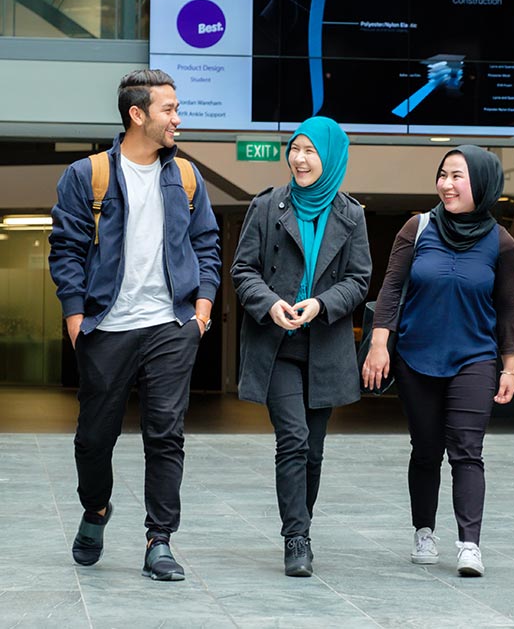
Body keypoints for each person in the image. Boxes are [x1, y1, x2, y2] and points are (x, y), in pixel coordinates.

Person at [49, 69, 221, 581]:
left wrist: (202, 309)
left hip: (170, 325)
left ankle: (159, 540)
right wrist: (77, 317)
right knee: (93, 438)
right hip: (106, 327)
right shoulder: (88, 176)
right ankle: (96, 508)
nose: (178, 118)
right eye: (169, 109)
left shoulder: (186, 177)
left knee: (165, 434)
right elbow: (67, 252)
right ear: (137, 114)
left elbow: (207, 245)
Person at [362, 145, 514, 577]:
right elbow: (391, 289)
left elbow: (506, 308)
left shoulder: (500, 243)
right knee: (426, 450)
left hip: (475, 358)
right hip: (417, 357)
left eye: (457, 177)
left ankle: (470, 544)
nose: (446, 185)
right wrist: (380, 345)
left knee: (467, 451)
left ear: (482, 185)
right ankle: (423, 531)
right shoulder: (417, 228)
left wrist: (509, 366)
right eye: (443, 175)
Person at [231, 116, 371, 577]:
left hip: (325, 349)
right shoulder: (268, 206)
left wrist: (323, 304)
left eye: (311, 151)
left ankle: (301, 524)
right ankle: (297, 538)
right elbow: (242, 270)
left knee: (313, 449)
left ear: (330, 157)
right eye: (295, 149)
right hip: (277, 347)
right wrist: (270, 304)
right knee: (292, 439)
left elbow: (359, 280)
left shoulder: (352, 216)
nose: (300, 159)